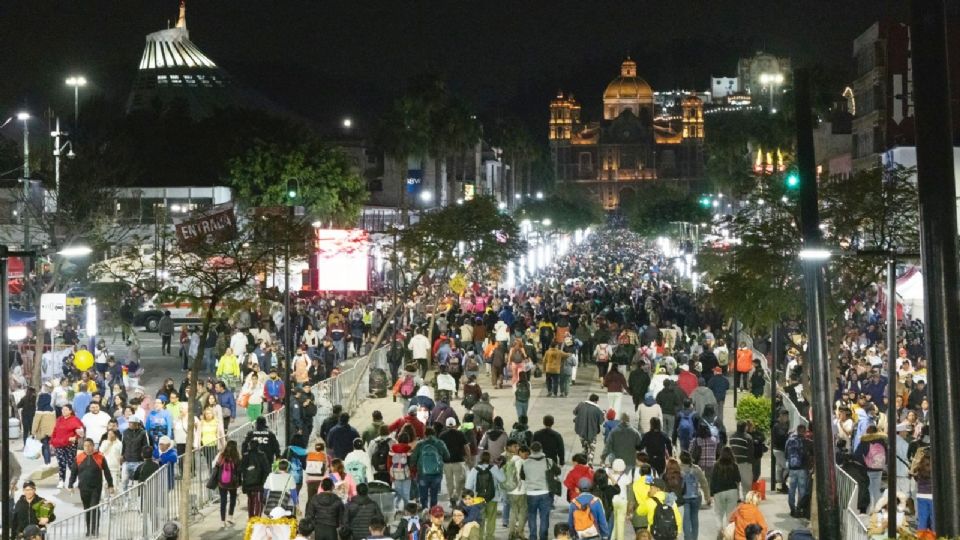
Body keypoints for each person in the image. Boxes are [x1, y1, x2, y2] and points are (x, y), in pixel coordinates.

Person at [72, 438, 114, 536]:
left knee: (94, 507)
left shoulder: (100, 457)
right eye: (85, 446)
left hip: (96, 487)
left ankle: (95, 529)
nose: (87, 447)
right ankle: (89, 529)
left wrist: (110, 485)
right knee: (87, 509)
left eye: (89, 445)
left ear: (93, 446)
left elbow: (107, 471)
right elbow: (74, 472)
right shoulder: (79, 457)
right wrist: (70, 484)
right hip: (83, 488)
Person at [465, 451, 505, 540]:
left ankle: (480, 537)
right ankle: (490, 537)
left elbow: (468, 486)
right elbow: (502, 479)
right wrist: (500, 469)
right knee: (491, 518)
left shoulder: (475, 469)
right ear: (489, 458)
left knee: (480, 519)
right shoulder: (493, 468)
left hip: (478, 499)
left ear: (480, 458)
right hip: (492, 498)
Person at [523, 441, 558, 540]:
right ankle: (543, 537)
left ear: (531, 450)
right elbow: (558, 471)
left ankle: (533, 537)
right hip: (545, 492)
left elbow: (522, 476)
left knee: (531, 516)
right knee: (544, 517)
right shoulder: (548, 461)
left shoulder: (525, 463)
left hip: (530, 493)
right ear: (541, 449)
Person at [410, 427, 450, 509]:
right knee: (434, 495)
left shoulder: (420, 444)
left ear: (425, 434)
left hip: (423, 474)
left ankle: (425, 510)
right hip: (437, 473)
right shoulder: (440, 443)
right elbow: (447, 456)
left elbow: (413, 458)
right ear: (435, 434)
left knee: (423, 495)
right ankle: (433, 511)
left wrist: (413, 467)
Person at [853, 424, 887, 512]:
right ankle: (878, 509)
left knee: (869, 489)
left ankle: (871, 511)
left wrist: (863, 464)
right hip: (879, 469)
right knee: (876, 489)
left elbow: (857, 455)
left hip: (868, 469)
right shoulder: (882, 441)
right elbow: (887, 453)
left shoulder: (864, 441)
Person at [50, 404, 84, 488]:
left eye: (65, 410)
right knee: (61, 462)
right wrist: (51, 442)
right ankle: (61, 480)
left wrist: (75, 437)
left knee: (71, 463)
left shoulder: (75, 420)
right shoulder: (59, 419)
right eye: (62, 410)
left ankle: (75, 479)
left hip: (70, 445)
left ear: (70, 411)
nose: (63, 411)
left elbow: (81, 431)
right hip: (59, 444)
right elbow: (55, 431)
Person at [678, 451, 710, 540]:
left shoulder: (678, 469)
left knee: (686, 518)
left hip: (684, 497)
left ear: (681, 459)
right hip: (696, 497)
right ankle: (694, 538)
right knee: (694, 518)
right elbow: (704, 483)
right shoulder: (696, 469)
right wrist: (707, 497)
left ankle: (688, 538)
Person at [440, 417, 470, 505]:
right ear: (455, 425)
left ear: (446, 425)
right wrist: (468, 457)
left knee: (449, 481)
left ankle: (451, 497)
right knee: (459, 481)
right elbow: (466, 447)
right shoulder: (460, 434)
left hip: (446, 463)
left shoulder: (442, 435)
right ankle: (459, 497)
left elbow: (440, 448)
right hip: (458, 461)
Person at [710, 447, 742, 529]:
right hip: (732, 491)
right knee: (730, 515)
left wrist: (711, 493)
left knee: (718, 513)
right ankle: (729, 533)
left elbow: (713, 480)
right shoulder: (734, 465)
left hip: (719, 491)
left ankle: (720, 529)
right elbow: (738, 480)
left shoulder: (716, 465)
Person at [214, 440, 241, 528]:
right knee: (232, 499)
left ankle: (222, 521)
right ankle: (230, 517)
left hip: (222, 482)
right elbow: (239, 470)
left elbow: (216, 465)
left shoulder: (221, 455)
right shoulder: (236, 456)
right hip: (233, 483)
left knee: (223, 501)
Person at [573, 394, 605, 462]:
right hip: (592, 433)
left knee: (584, 448)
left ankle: (583, 462)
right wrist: (603, 413)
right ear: (596, 401)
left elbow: (575, 412)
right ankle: (590, 463)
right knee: (592, 450)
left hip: (581, 431)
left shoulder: (581, 405)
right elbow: (601, 421)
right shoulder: (597, 409)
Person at [729, 422, 755, 497]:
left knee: (735, 482)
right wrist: (751, 462)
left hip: (734, 463)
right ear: (745, 427)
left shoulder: (732, 437)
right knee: (746, 483)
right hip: (745, 463)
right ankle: (747, 499)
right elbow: (751, 451)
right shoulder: (747, 437)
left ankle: (736, 498)